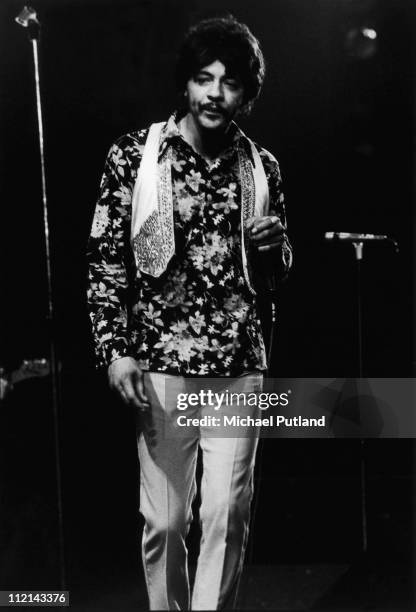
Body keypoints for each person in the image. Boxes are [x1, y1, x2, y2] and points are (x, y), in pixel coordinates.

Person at [87, 15, 292, 610]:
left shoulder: (263, 167)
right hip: (159, 362)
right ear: (187, 84)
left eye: (229, 84)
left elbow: (278, 275)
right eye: (204, 79)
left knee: (227, 516)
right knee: (168, 523)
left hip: (237, 363)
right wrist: (114, 349)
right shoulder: (136, 155)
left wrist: (272, 248)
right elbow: (104, 261)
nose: (214, 94)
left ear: (245, 94)